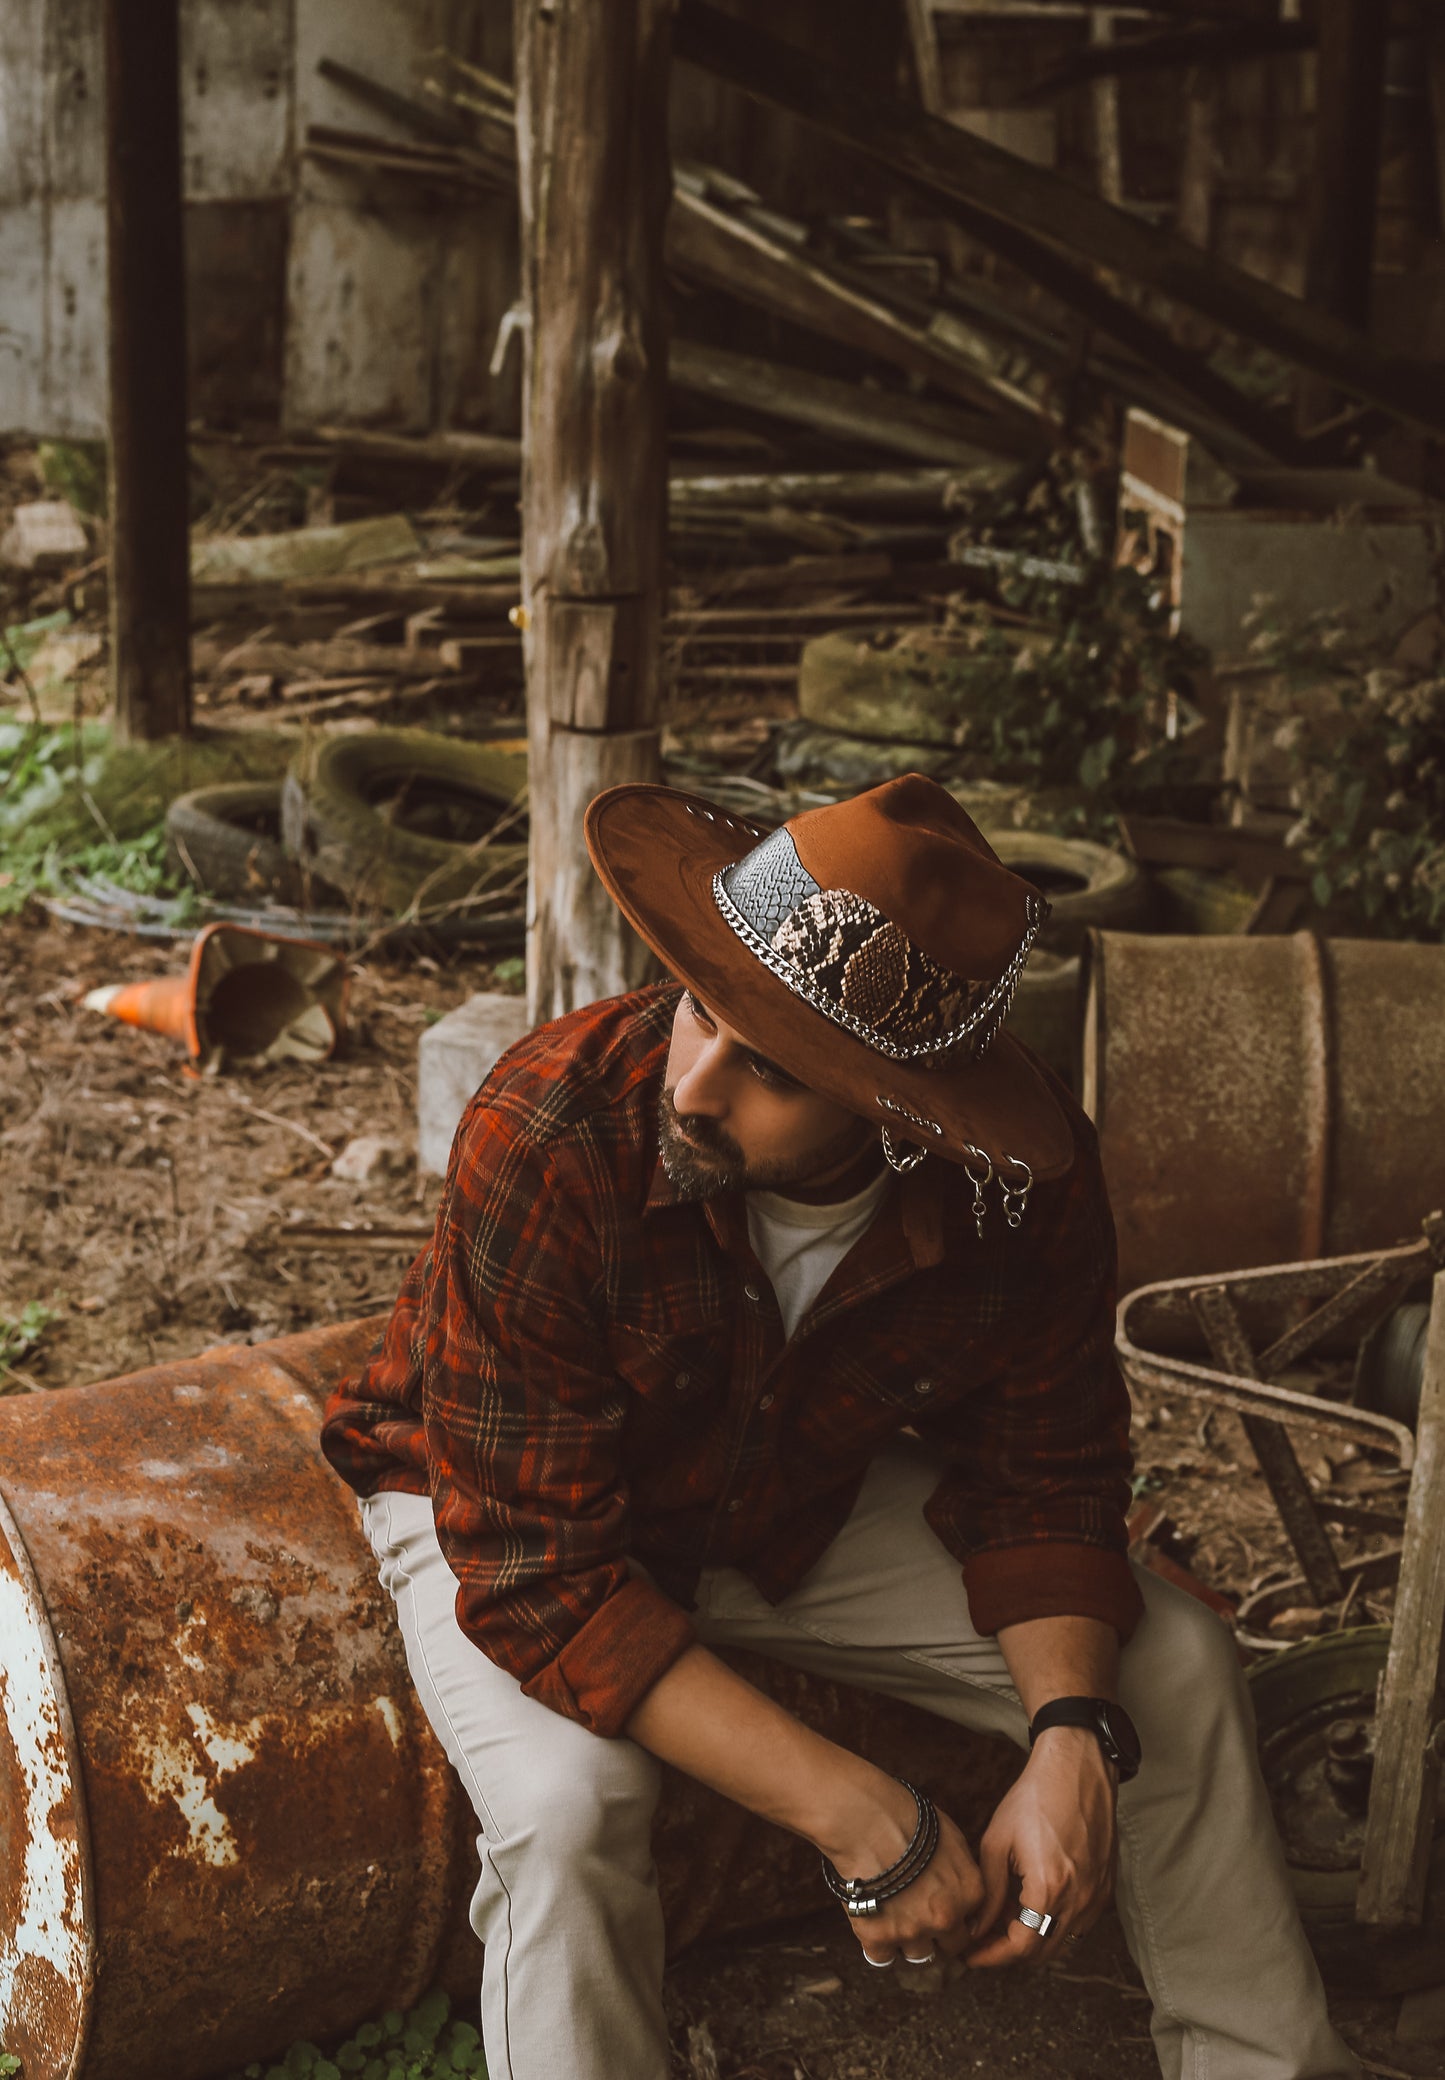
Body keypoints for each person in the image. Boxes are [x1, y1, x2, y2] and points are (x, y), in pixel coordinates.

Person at [321, 774, 1358, 2080]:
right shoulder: (554, 1125)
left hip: (783, 1497)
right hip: (490, 1505)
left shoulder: (1009, 1188)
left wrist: (1069, 1740)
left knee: (1179, 1664)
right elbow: (540, 1574)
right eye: (702, 1007)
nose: (693, 1085)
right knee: (568, 1810)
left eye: (768, 1069)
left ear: (893, 1102)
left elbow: (1046, 1477)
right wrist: (862, 1814)